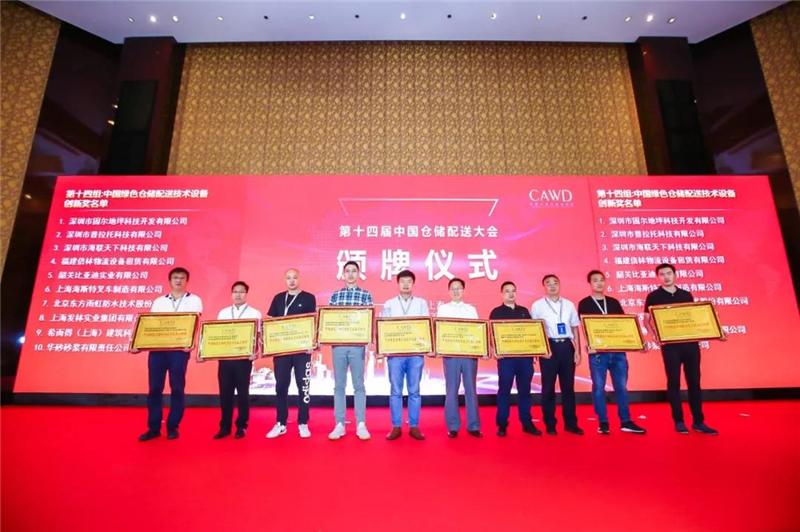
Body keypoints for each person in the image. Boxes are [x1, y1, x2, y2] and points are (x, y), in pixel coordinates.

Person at [644, 263, 723, 435]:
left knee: (694, 381)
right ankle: (679, 421)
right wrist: (654, 335)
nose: (666, 277)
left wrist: (715, 331)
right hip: (670, 346)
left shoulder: (686, 294)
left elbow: (694, 318)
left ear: (675, 275)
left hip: (691, 344)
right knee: (674, 382)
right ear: (658, 277)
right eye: (662, 274)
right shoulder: (654, 296)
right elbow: (646, 320)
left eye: (669, 273)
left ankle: (698, 421)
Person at [135, 267, 203, 441]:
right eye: (175, 277)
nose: (178, 280)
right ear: (169, 281)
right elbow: (150, 325)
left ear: (187, 281)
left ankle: (173, 426)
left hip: (179, 351)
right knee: (155, 389)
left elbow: (194, 324)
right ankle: (153, 428)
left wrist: (191, 343)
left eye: (182, 278)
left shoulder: (194, 300)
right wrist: (138, 343)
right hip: (158, 351)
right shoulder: (159, 301)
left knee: (177, 388)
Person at [577, 271, 646, 435]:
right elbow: (585, 326)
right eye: (595, 280)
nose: (599, 283)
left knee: (621, 387)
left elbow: (624, 325)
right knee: (599, 388)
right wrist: (590, 345)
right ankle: (603, 422)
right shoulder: (585, 303)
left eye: (602, 280)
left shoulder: (613, 302)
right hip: (598, 353)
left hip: (618, 352)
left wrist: (637, 342)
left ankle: (626, 421)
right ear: (590, 283)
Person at [265, 269, 317, 439]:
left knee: (304, 386)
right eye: (288, 278)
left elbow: (312, 321)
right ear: (285, 280)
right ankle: (281, 423)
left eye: (295, 277)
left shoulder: (308, 298)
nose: (292, 281)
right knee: (281, 386)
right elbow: (271, 324)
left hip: (302, 350)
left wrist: (311, 343)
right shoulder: (278, 298)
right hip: (282, 350)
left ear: (300, 278)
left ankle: (303, 422)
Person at [531, 274, 583, 435]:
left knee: (568, 387)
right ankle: (550, 423)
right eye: (549, 283)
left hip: (567, 347)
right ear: (544, 287)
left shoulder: (569, 304)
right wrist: (541, 350)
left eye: (555, 283)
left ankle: (571, 423)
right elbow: (535, 330)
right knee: (548, 387)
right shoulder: (537, 306)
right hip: (549, 348)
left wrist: (578, 351)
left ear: (559, 285)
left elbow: (574, 328)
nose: (552, 286)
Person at [210, 281, 262, 439]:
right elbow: (217, 335)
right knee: (225, 393)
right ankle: (225, 427)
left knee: (242, 393)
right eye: (235, 291)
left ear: (246, 294)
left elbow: (258, 336)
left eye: (241, 291)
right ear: (231, 294)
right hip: (225, 360)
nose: (238, 295)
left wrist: (255, 352)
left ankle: (241, 426)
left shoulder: (255, 313)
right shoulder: (223, 313)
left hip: (243, 360)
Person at [328, 261, 373, 441]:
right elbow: (329, 320)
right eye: (348, 271)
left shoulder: (365, 295)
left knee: (359, 385)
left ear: (358, 273)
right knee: (339, 386)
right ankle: (339, 424)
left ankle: (361, 423)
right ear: (343, 274)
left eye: (354, 271)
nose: (351, 274)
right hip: (338, 345)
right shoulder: (335, 295)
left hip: (357, 345)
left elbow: (369, 320)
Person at [381, 270, 429, 441]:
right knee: (396, 390)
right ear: (398, 284)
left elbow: (426, 327)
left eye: (409, 281)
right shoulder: (389, 304)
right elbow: (384, 328)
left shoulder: (421, 303)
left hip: (415, 354)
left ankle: (414, 425)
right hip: (396, 354)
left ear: (413, 284)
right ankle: (396, 426)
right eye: (403, 281)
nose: (406, 284)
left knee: (414, 390)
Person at [489, 281, 542, 437]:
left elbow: (531, 333)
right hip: (506, 360)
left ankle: (526, 423)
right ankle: (502, 424)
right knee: (504, 391)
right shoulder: (496, 312)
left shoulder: (524, 311)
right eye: (507, 291)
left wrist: (534, 351)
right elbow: (491, 334)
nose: (511, 293)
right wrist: (494, 350)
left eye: (513, 291)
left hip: (525, 359)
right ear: (502, 294)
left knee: (525, 391)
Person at [436, 278, 482, 438]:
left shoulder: (471, 310)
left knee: (471, 389)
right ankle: (453, 426)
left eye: (459, 288)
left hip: (469, 354)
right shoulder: (443, 309)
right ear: (449, 291)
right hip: (451, 355)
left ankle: (473, 425)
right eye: (453, 289)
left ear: (463, 290)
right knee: (451, 389)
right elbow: (440, 330)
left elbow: (477, 332)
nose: (456, 291)